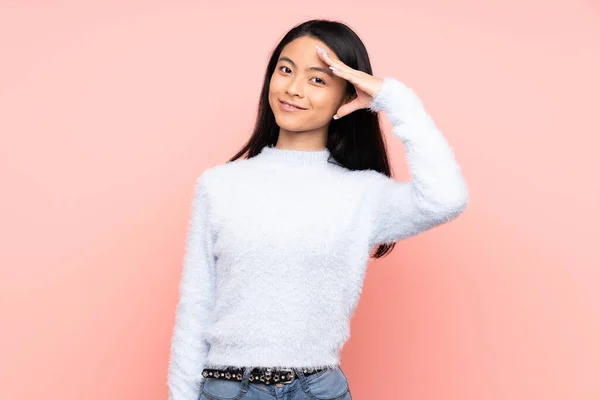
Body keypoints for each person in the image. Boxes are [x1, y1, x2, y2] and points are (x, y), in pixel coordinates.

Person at [167, 18, 469, 400]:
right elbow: (195, 306)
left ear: (347, 98)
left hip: (318, 389)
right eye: (286, 70)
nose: (293, 89)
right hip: (230, 388)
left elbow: (446, 198)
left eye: (317, 79)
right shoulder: (219, 185)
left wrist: (394, 99)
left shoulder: (361, 195)